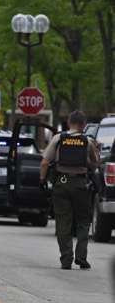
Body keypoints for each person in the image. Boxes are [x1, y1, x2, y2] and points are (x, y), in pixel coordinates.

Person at [40, 110, 99, 270]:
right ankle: (81, 257)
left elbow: (45, 162)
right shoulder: (87, 141)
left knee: (63, 222)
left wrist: (42, 180)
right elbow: (95, 163)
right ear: (84, 125)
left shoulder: (59, 138)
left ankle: (66, 259)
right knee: (83, 221)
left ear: (68, 123)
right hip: (81, 185)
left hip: (61, 183)